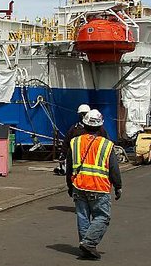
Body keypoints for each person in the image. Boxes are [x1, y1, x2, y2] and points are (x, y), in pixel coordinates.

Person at [66, 109, 122, 260]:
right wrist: (118, 186)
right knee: (102, 217)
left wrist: (69, 185)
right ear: (100, 126)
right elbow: (114, 168)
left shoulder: (75, 142)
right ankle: (89, 243)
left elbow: (69, 165)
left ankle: (85, 245)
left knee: (83, 217)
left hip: (78, 184)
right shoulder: (107, 144)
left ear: (84, 124)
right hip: (99, 187)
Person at [58, 103, 90, 173]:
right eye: (82, 114)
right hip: (77, 159)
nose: (83, 116)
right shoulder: (74, 129)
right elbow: (66, 142)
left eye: (85, 114)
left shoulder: (96, 128)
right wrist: (63, 155)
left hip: (91, 158)